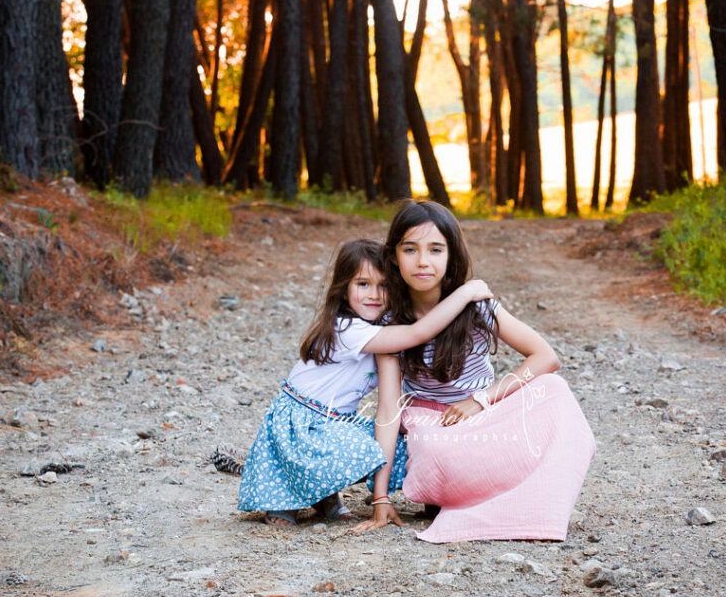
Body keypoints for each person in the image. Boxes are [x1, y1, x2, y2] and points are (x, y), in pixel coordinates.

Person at [353, 201, 596, 543]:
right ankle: (451, 490)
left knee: (554, 391)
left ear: (451, 255)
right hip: (429, 424)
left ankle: (492, 496)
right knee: (434, 450)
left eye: (435, 249)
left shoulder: (477, 307)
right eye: (410, 249)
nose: (423, 261)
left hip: (483, 415)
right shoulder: (392, 319)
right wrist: (380, 497)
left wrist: (480, 400)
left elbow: (545, 356)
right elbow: (390, 409)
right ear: (394, 256)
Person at [237, 238, 492, 527]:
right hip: (300, 426)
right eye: (362, 284)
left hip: (333, 423)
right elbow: (418, 334)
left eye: (384, 286)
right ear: (343, 290)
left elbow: (389, 408)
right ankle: (285, 498)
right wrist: (466, 293)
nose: (374, 295)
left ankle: (324, 493)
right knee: (356, 445)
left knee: (400, 445)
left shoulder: (379, 332)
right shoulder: (347, 329)